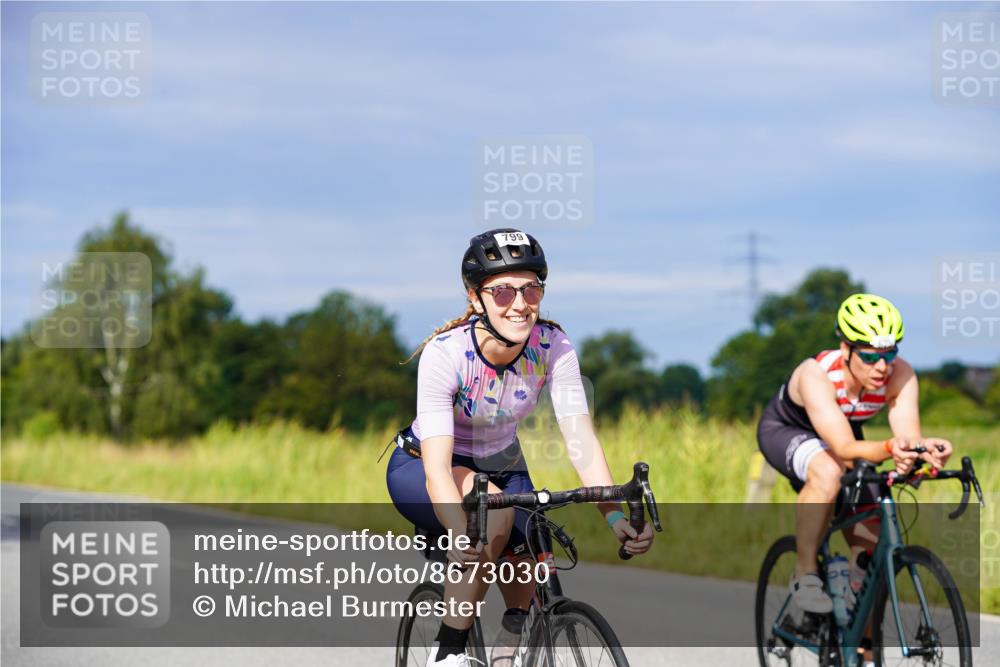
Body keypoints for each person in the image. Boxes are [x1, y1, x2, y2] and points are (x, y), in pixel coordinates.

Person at [386, 228, 654, 667]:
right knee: (490, 513)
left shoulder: (553, 345)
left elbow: (580, 439)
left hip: (502, 463)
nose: (519, 302)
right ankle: (447, 654)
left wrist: (615, 515)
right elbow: (437, 468)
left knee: (530, 544)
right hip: (423, 465)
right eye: (503, 290)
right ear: (476, 298)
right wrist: (457, 526)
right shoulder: (446, 353)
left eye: (531, 288)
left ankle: (508, 652)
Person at [757, 294, 953, 627]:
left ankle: (856, 631)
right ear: (846, 349)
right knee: (828, 471)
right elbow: (845, 447)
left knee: (872, 537)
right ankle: (804, 573)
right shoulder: (815, 375)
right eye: (869, 356)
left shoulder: (900, 375)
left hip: (841, 434)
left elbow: (907, 435)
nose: (882, 367)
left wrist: (921, 453)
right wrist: (893, 448)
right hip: (789, 430)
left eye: (890, 354)